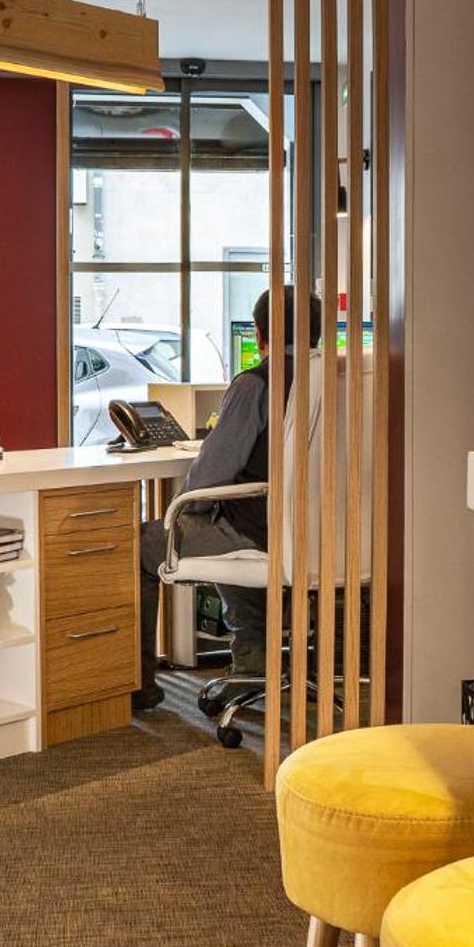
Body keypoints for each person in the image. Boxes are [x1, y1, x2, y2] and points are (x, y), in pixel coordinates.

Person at [134, 286, 322, 712]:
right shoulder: (339, 382)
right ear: (317, 333)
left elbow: (210, 476)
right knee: (227, 524)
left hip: (264, 531)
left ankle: (138, 685)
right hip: (325, 535)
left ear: (259, 333)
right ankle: (252, 662)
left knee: (145, 543)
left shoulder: (257, 384)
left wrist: (184, 511)